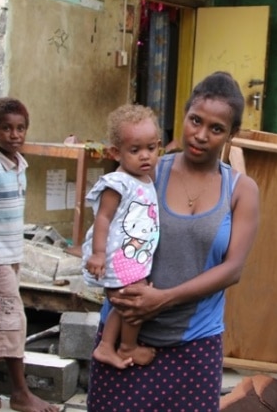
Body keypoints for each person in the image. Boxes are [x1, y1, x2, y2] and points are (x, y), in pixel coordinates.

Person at [87, 71, 260, 411]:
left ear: (232, 134)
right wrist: (107, 279)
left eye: (216, 128)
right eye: (195, 120)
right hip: (125, 337)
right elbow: (105, 228)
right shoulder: (146, 173)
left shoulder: (241, 190)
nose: (200, 135)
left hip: (193, 346)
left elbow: (233, 269)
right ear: (184, 116)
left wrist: (163, 299)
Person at [0, 97, 59, 412]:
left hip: (9, 256)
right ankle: (20, 393)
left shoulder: (19, 163)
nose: (14, 134)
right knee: (13, 321)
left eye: (20, 128)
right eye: (6, 128)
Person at [81, 104, 162, 369]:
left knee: (122, 305)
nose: (145, 156)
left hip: (133, 257)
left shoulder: (144, 179)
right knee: (133, 306)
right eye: (135, 150)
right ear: (116, 152)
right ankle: (127, 347)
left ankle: (106, 346)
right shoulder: (117, 182)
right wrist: (98, 254)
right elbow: (102, 218)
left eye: (151, 148)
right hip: (117, 258)